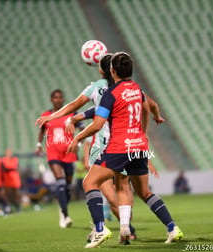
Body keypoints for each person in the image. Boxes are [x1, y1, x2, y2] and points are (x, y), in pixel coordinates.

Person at [36, 54, 162, 242]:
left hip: (110, 146)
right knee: (121, 191)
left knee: (106, 190)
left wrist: (62, 119)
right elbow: (150, 105)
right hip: (124, 145)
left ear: (103, 69)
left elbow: (77, 106)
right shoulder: (130, 88)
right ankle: (126, 228)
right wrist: (151, 122)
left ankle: (107, 228)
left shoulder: (99, 89)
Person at [68, 52, 183, 248]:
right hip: (138, 147)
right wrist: (144, 131)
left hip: (119, 147)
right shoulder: (137, 89)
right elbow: (150, 108)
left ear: (112, 71)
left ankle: (100, 228)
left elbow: (97, 125)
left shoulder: (110, 94)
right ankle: (172, 228)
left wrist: (78, 136)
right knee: (142, 191)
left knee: (89, 182)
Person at [36, 89, 82, 228]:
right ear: (51, 100)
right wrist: (39, 144)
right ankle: (65, 215)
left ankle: (63, 210)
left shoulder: (71, 113)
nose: (58, 99)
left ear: (63, 99)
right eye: (55, 97)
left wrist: (78, 142)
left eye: (60, 97)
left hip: (69, 152)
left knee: (67, 187)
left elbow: (82, 127)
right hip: (53, 152)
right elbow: (42, 130)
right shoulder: (46, 115)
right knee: (60, 182)